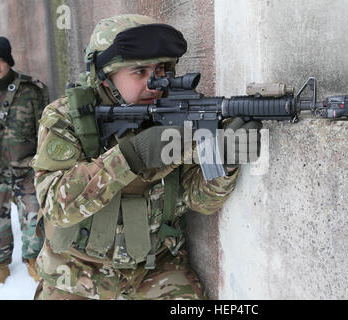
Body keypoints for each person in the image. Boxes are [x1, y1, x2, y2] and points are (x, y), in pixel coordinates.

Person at [31, 14, 261, 300]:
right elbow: (55, 206)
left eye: (162, 69)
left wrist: (226, 162)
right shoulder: (68, 117)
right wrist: (131, 157)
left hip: (154, 269)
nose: (155, 82)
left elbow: (200, 201)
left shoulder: (178, 112)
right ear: (104, 76)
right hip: (75, 273)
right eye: (139, 72)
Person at [0, 36, 48, 286]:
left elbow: (45, 127)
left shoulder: (31, 90)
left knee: (34, 213)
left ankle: (32, 259)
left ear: (9, 61)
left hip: (25, 167)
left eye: (1, 59)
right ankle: (0, 264)